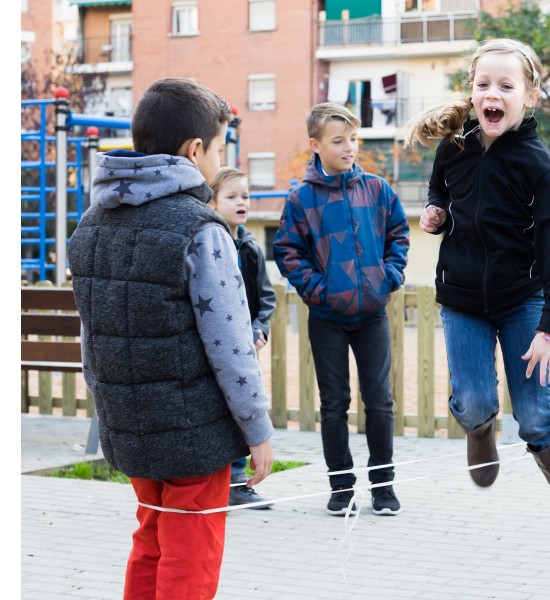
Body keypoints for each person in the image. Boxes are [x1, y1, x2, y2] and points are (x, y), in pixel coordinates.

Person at [404, 38, 550, 591]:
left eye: (506, 85)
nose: (492, 93)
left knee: (537, 417)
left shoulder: (537, 165)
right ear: (472, 93)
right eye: (483, 84)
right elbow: (440, 188)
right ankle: (479, 430)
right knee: (474, 402)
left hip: (524, 301)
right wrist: (436, 210)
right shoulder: (453, 148)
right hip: (463, 300)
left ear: (530, 96)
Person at [67, 77, 275, 599]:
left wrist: (110, 404)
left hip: (126, 421)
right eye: (220, 149)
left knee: (152, 538)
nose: (219, 161)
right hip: (193, 429)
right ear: (195, 150)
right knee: (191, 550)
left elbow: (91, 333)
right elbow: (232, 344)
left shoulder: (91, 223)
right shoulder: (200, 228)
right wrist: (257, 429)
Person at [273, 102, 409, 517]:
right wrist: (319, 291)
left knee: (380, 401)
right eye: (338, 141)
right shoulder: (301, 199)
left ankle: (383, 488)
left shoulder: (378, 189)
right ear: (315, 145)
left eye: (353, 139)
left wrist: (388, 276)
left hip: (372, 315)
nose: (349, 147)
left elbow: (398, 234)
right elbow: (288, 251)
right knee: (334, 404)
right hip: (327, 319)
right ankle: (341, 488)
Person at [209, 167, 277, 510]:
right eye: (232, 196)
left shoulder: (251, 248)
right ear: (212, 202)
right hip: (220, 345)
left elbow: (266, 298)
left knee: (244, 408)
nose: (242, 203)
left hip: (246, 347)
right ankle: (220, 481)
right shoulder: (209, 243)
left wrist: (259, 328)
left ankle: (238, 482)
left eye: (246, 196)